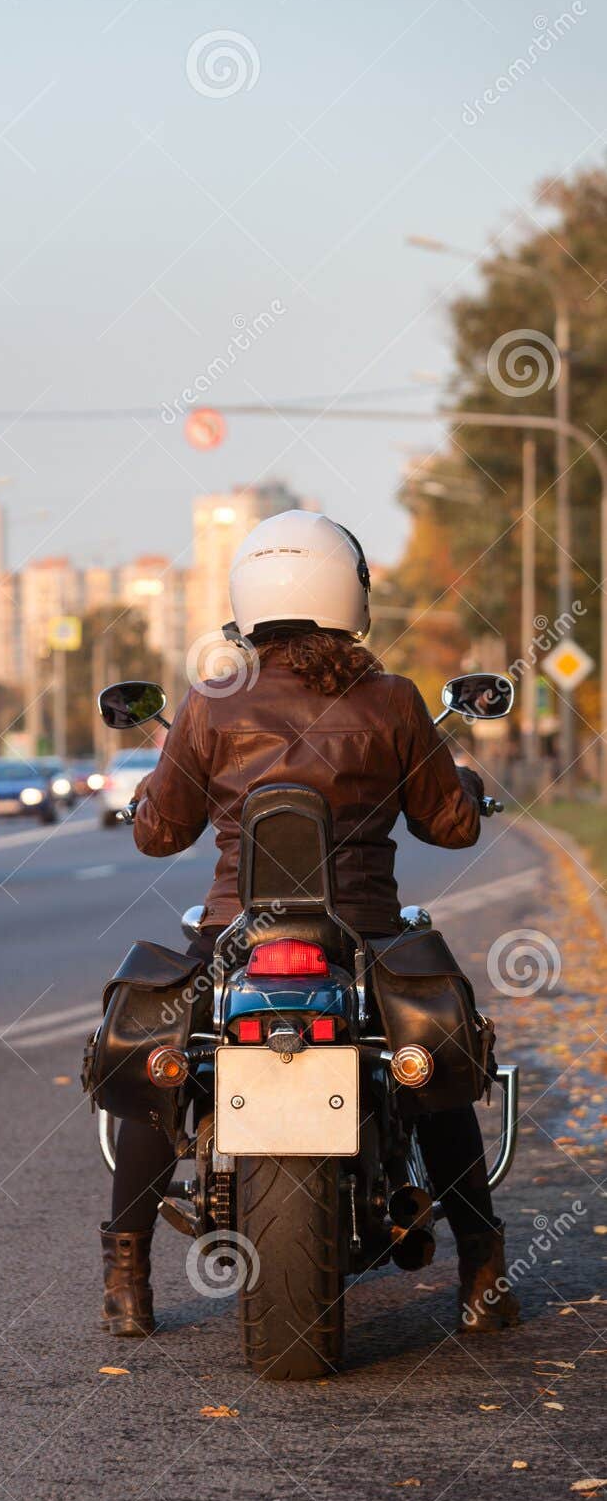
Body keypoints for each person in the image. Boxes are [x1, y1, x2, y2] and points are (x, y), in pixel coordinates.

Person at [100, 509, 519, 1341]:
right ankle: (480, 1268)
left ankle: (124, 1274)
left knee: (160, 1056)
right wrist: (463, 785)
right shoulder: (394, 701)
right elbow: (452, 827)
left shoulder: (209, 702)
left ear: (248, 598)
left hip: (233, 934)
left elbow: (158, 834)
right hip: (362, 931)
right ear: (349, 594)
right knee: (432, 1055)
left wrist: (154, 786)